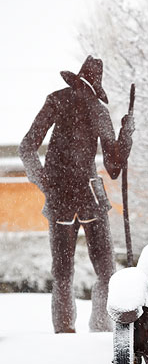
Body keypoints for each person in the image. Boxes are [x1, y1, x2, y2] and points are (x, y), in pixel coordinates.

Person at [19, 56, 134, 332]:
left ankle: (97, 329)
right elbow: (114, 166)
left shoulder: (91, 109)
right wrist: (46, 182)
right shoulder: (68, 103)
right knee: (72, 273)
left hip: (83, 197)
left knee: (92, 272)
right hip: (75, 197)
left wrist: (125, 134)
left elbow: (113, 165)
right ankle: (77, 331)